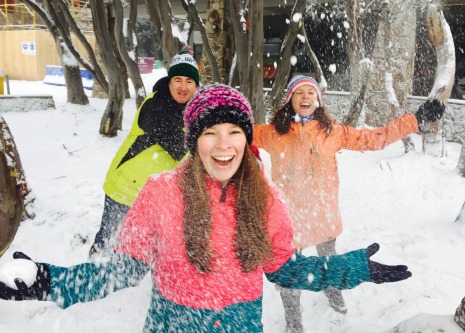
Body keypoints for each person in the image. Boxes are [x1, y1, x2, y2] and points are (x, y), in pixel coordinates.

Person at [0, 84, 412, 332]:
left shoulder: (266, 200)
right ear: (193, 140)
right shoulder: (160, 193)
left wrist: (354, 268)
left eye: (234, 132)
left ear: (246, 139)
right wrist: (49, 281)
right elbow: (123, 270)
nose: (223, 144)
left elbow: (286, 269)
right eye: (210, 132)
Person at [253, 75, 445, 332]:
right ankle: (293, 324)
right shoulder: (273, 133)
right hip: (288, 220)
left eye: (311, 93)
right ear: (290, 100)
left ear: (318, 100)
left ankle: (335, 297)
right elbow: (237, 132)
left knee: (330, 263)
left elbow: (374, 138)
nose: (306, 97)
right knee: (289, 277)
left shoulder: (332, 131)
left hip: (323, 215)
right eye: (299, 93)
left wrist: (414, 121)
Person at [89, 50, 199, 256]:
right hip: (125, 190)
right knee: (107, 245)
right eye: (177, 80)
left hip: (153, 196)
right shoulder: (156, 105)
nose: (183, 87)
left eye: (189, 81)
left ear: (196, 86)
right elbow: (180, 149)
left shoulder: (191, 112)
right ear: (169, 82)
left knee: (139, 252)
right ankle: (88, 278)